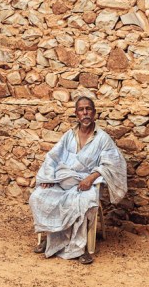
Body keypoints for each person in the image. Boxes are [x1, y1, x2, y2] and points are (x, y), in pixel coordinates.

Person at [29, 96, 127, 264]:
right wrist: (48, 177)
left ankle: (80, 247)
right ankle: (51, 238)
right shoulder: (69, 135)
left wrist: (91, 177)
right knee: (38, 196)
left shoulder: (103, 138)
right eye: (81, 110)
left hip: (85, 184)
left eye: (88, 109)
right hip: (63, 180)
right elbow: (53, 156)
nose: (85, 113)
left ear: (94, 113)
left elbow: (112, 164)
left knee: (83, 203)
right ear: (76, 114)